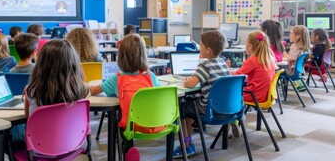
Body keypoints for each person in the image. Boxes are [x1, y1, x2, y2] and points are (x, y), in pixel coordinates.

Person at [89, 34, 161, 160]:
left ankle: (128, 150)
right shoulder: (151, 77)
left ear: (121, 56)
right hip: (155, 123)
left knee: (120, 120)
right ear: (144, 55)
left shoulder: (117, 78)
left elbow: (94, 90)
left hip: (131, 127)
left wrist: (86, 85)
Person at [9, 39, 89, 143]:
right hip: (73, 145)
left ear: (41, 64)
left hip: (38, 149)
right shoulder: (81, 90)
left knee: (9, 134)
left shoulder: (31, 90)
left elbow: (29, 119)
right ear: (74, 64)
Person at [172, 30, 231, 158]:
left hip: (207, 109)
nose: (199, 48)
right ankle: (189, 143)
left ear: (208, 50)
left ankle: (186, 146)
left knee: (183, 108)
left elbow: (191, 84)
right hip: (225, 108)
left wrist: (186, 81)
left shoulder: (204, 65)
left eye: (200, 46)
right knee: (190, 105)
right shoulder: (222, 62)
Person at [284, 25, 311, 90]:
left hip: (291, 71)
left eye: (291, 33)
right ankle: (300, 86)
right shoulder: (304, 47)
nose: (289, 35)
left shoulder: (294, 46)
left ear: (298, 36)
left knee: (276, 70)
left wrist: (284, 53)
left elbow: (291, 60)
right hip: (299, 71)